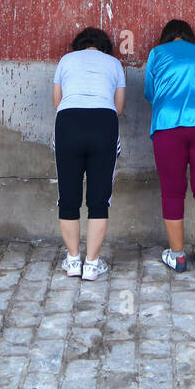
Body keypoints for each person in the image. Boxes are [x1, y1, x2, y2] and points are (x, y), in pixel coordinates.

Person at [144, 19, 195, 272]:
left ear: (165, 37)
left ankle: (177, 256)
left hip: (168, 124)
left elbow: (150, 92)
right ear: (189, 37)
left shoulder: (157, 53)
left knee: (172, 190)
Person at [53, 26, 125, 280]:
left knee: (68, 196)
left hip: (68, 122)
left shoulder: (65, 61)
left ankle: (73, 261)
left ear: (79, 45)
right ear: (104, 47)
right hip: (103, 122)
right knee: (99, 199)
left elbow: (57, 102)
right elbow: (119, 107)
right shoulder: (115, 63)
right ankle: (92, 265)